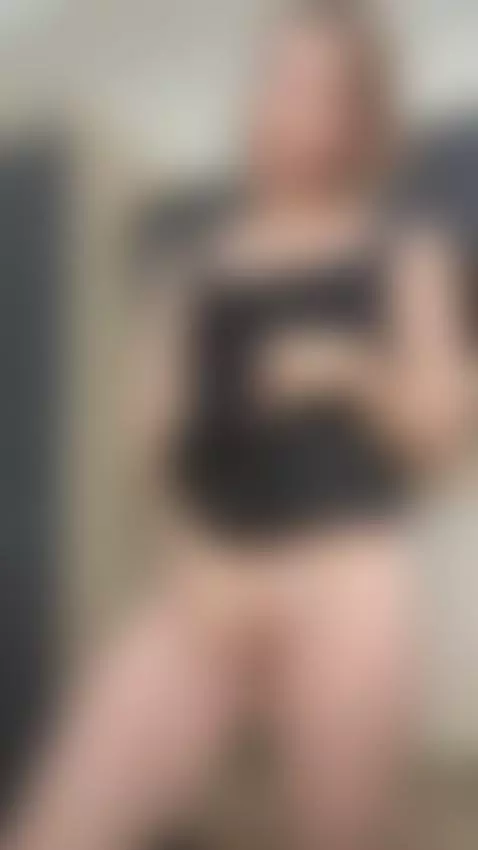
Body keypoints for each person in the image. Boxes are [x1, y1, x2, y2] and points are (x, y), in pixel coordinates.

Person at [8, 2, 471, 849]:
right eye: (280, 77)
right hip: (211, 570)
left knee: (342, 831)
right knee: (56, 826)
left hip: (345, 566)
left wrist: (348, 367)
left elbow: (439, 433)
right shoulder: (196, 269)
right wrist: (190, 551)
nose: (290, 103)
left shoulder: (406, 252)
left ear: (359, 114)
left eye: (321, 87)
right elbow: (153, 439)